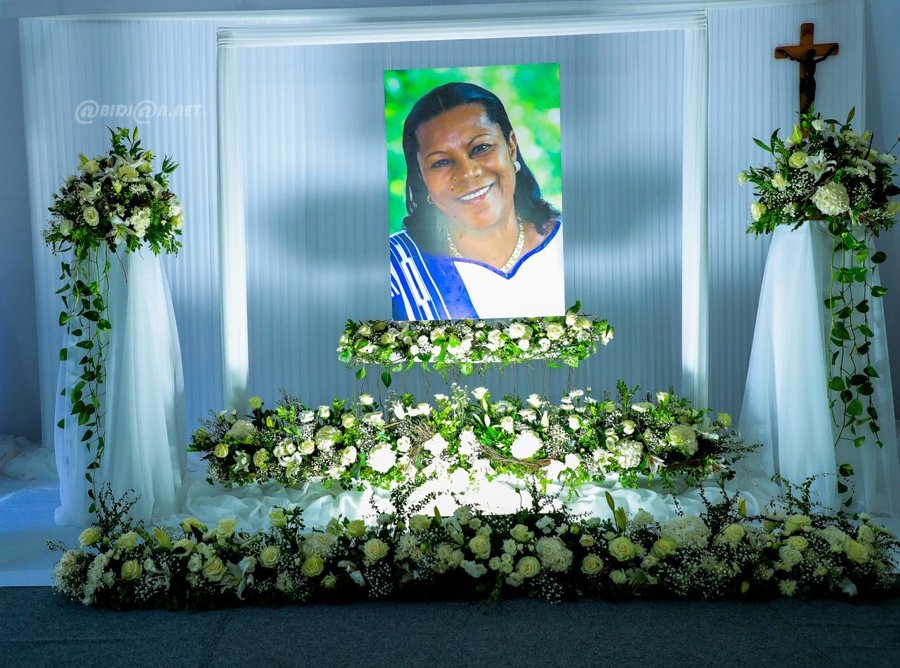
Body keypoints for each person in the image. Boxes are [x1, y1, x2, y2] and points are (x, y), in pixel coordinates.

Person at [390, 81, 564, 321]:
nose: (467, 173)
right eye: (441, 162)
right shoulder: (393, 269)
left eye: (481, 148)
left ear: (511, 147)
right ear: (422, 177)